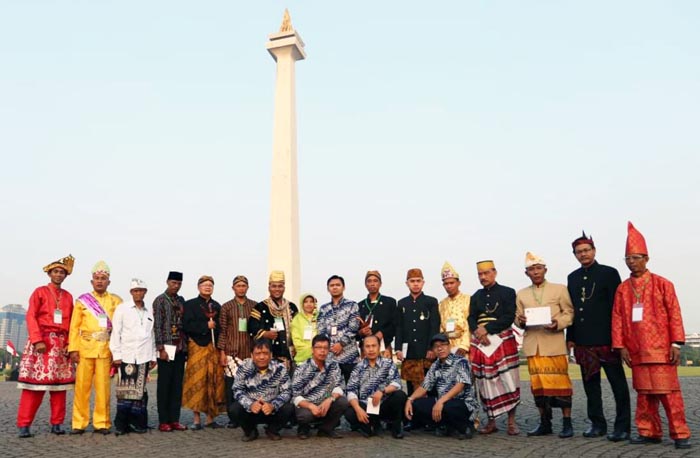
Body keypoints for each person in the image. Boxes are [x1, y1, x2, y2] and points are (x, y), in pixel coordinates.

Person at [612, 222, 691, 450]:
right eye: (628, 258)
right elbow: (617, 318)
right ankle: (649, 432)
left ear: (646, 258)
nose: (631, 262)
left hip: (661, 349)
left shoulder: (663, 284)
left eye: (636, 257)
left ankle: (680, 434)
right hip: (635, 350)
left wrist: (676, 344)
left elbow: (675, 314)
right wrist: (620, 346)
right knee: (644, 394)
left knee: (669, 393)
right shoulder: (623, 289)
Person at [567, 231, 631, 441]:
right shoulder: (573, 277)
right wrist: (571, 337)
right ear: (575, 255)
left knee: (618, 385)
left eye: (586, 250)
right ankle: (597, 424)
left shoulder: (609, 273)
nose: (583, 254)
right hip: (584, 342)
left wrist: (620, 339)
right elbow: (574, 310)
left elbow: (619, 309)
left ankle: (622, 427)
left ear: (594, 251)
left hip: (607, 339)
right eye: (579, 252)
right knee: (590, 386)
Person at [515, 252, 575, 438]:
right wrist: (522, 321)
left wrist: (558, 323)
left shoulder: (559, 289)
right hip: (533, 346)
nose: (535, 272)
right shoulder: (521, 294)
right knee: (538, 388)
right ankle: (544, 423)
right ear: (526, 273)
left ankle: (567, 423)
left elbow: (569, 312)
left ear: (545, 270)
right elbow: (517, 318)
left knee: (561, 385)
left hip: (554, 344)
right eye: (531, 269)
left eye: (538, 268)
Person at [16, 255, 76, 438]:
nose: (59, 275)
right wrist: (37, 340)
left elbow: (72, 322)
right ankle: (24, 424)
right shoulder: (39, 292)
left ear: (66, 276)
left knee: (59, 387)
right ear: (49, 273)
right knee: (34, 386)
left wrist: (69, 344)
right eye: (56, 271)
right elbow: (31, 316)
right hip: (42, 342)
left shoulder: (68, 296)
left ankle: (57, 423)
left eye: (62, 272)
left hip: (61, 344)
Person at [68, 260, 122, 435]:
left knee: (103, 389)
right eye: (97, 278)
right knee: (81, 388)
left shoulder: (116, 301)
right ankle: (79, 423)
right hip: (84, 349)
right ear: (92, 281)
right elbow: (74, 326)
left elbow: (120, 328)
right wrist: (73, 349)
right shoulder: (82, 301)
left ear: (109, 282)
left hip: (106, 349)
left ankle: (102, 422)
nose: (100, 281)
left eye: (103, 278)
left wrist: (117, 351)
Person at [468, 260, 521, 435]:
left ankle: (511, 422)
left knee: (509, 380)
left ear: (494, 272)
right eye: (480, 274)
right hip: (482, 344)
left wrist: (488, 329)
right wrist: (478, 332)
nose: (483, 277)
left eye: (486, 273)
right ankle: (491, 421)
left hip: (502, 340)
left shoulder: (507, 292)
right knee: (485, 382)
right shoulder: (476, 295)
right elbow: (471, 318)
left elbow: (508, 316)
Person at [404, 333, 479, 440]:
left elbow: (460, 385)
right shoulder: (435, 365)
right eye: (436, 346)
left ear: (449, 346)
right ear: (433, 350)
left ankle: (465, 427)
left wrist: (440, 401)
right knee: (417, 405)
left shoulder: (461, 362)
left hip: (462, 403)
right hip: (443, 403)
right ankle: (446, 425)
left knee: (449, 407)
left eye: (443, 345)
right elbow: (424, 386)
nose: (440, 348)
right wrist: (410, 399)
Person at [109, 278, 157, 435]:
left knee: (140, 393)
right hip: (127, 356)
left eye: (141, 290)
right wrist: (116, 354)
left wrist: (153, 356)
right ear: (131, 292)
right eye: (135, 291)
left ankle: (139, 423)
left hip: (143, 357)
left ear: (145, 292)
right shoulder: (122, 309)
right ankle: (122, 425)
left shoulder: (149, 312)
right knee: (126, 393)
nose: (138, 293)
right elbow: (116, 332)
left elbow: (152, 336)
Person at [182, 275, 225, 429]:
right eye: (205, 285)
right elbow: (186, 325)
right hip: (197, 346)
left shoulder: (217, 306)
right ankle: (196, 419)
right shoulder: (190, 305)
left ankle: (210, 418)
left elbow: (221, 328)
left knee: (212, 381)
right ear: (198, 287)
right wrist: (205, 326)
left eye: (210, 285)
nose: (208, 287)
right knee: (196, 381)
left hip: (213, 348)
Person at [231, 338, 294, 442]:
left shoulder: (280, 368)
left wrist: (273, 405)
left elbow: (287, 391)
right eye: (258, 353)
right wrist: (250, 404)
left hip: (272, 410)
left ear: (271, 355)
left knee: (289, 408)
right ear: (251, 355)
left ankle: (272, 430)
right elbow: (237, 389)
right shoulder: (244, 367)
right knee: (234, 409)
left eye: (265, 353)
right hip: (251, 410)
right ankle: (250, 431)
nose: (261, 357)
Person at [345, 335, 407, 439]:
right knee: (350, 410)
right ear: (363, 349)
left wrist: (382, 391)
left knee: (400, 395)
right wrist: (357, 409)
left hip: (384, 404)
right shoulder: (358, 368)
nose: (371, 349)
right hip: (367, 407)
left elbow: (396, 383)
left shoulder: (388, 364)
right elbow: (351, 391)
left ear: (379, 347)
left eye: (374, 346)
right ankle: (370, 424)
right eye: (367, 346)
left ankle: (396, 428)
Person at [291, 334, 348, 439]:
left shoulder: (333, 366)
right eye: (319, 347)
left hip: (326, 403)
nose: (322, 351)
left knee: (343, 402)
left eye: (325, 348)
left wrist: (330, 399)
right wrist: (311, 406)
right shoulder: (302, 368)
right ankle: (303, 428)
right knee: (304, 416)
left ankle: (326, 429)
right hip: (307, 405)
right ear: (312, 349)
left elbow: (340, 386)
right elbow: (295, 396)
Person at [217, 275, 256, 428]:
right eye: (238, 286)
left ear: (247, 287)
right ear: (233, 288)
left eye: (243, 285)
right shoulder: (226, 307)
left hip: (249, 351)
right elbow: (223, 330)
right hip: (231, 352)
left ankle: (248, 414)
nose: (241, 288)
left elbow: (255, 330)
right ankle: (233, 417)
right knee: (231, 386)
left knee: (248, 385)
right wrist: (221, 352)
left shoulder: (254, 306)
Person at [395, 268, 440, 396]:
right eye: (412, 281)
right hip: (409, 353)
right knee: (411, 388)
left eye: (418, 281)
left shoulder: (431, 302)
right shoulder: (402, 303)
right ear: (407, 283)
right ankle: (413, 414)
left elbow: (434, 326)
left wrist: (432, 348)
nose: (415, 284)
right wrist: (398, 348)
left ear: (423, 283)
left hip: (426, 353)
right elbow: (399, 327)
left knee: (430, 387)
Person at [152, 271, 187, 432]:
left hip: (180, 348)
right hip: (166, 348)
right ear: (167, 282)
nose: (176, 286)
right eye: (173, 283)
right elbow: (157, 326)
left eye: (178, 283)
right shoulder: (160, 300)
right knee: (164, 385)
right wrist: (161, 348)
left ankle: (175, 419)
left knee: (177, 386)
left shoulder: (181, 300)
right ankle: (163, 420)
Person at [248, 271, 298, 369]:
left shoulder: (292, 307)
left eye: (280, 286)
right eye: (274, 286)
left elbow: (298, 328)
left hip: (290, 356)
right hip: (268, 358)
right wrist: (265, 333)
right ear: (269, 288)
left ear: (284, 288)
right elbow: (251, 327)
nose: (277, 289)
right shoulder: (260, 307)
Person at [317, 275, 360, 383]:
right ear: (328, 289)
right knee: (331, 390)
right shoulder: (324, 308)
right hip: (330, 357)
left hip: (349, 356)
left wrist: (341, 344)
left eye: (338, 285)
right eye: (332, 285)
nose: (335, 287)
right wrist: (330, 346)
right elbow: (321, 329)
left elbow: (353, 328)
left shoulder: (352, 305)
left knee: (351, 389)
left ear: (343, 287)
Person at [356, 270, 397, 357]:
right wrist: (361, 332)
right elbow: (354, 331)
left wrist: (382, 333)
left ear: (380, 284)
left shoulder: (389, 302)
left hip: (384, 347)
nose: (372, 284)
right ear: (365, 284)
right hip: (366, 349)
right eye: (369, 281)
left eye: (375, 281)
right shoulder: (359, 305)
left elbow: (395, 324)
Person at [438, 262, 471, 357]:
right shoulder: (441, 304)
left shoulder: (468, 299)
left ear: (459, 283)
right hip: (447, 348)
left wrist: (464, 346)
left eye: (452, 283)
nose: (449, 286)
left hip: (464, 347)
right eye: (446, 284)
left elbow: (470, 324)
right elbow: (441, 327)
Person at [290, 293, 318, 365]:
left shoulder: (320, 316)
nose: (309, 304)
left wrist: (318, 348)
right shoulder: (297, 319)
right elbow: (296, 340)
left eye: (311, 301)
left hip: (320, 356)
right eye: (306, 301)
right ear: (302, 304)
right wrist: (311, 349)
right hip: (302, 358)